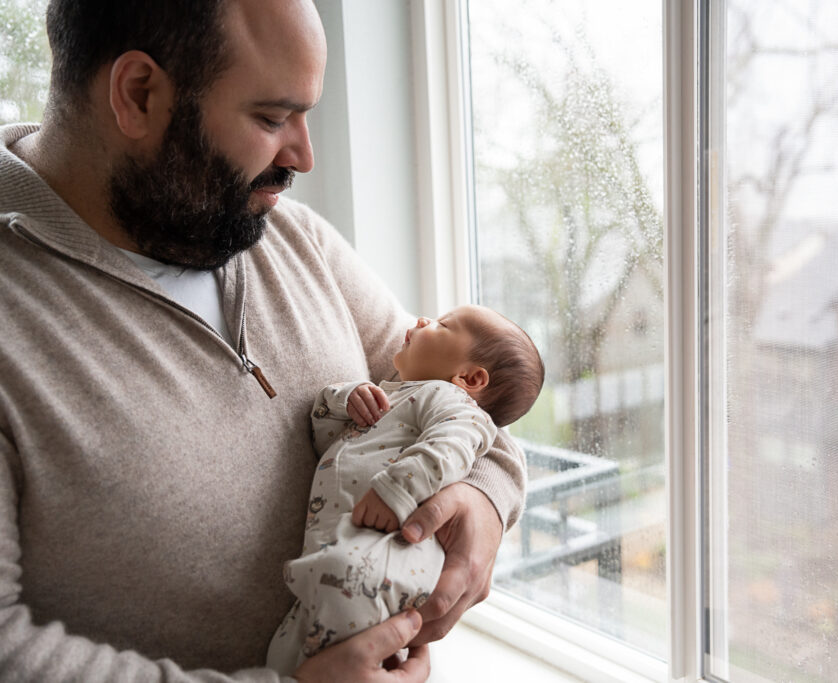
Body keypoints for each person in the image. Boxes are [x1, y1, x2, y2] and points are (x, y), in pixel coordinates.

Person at [0, 1, 526, 681]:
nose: (304, 156)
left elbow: (465, 398)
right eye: (273, 118)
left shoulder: (291, 236)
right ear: (139, 94)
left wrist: (485, 498)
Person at [267, 305, 544, 673]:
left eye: (443, 325)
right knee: (287, 653)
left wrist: (397, 492)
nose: (422, 320)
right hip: (339, 550)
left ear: (470, 378)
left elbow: (452, 447)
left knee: (340, 594)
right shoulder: (399, 397)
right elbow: (327, 442)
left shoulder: (450, 402)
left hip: (382, 552)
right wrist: (345, 401)